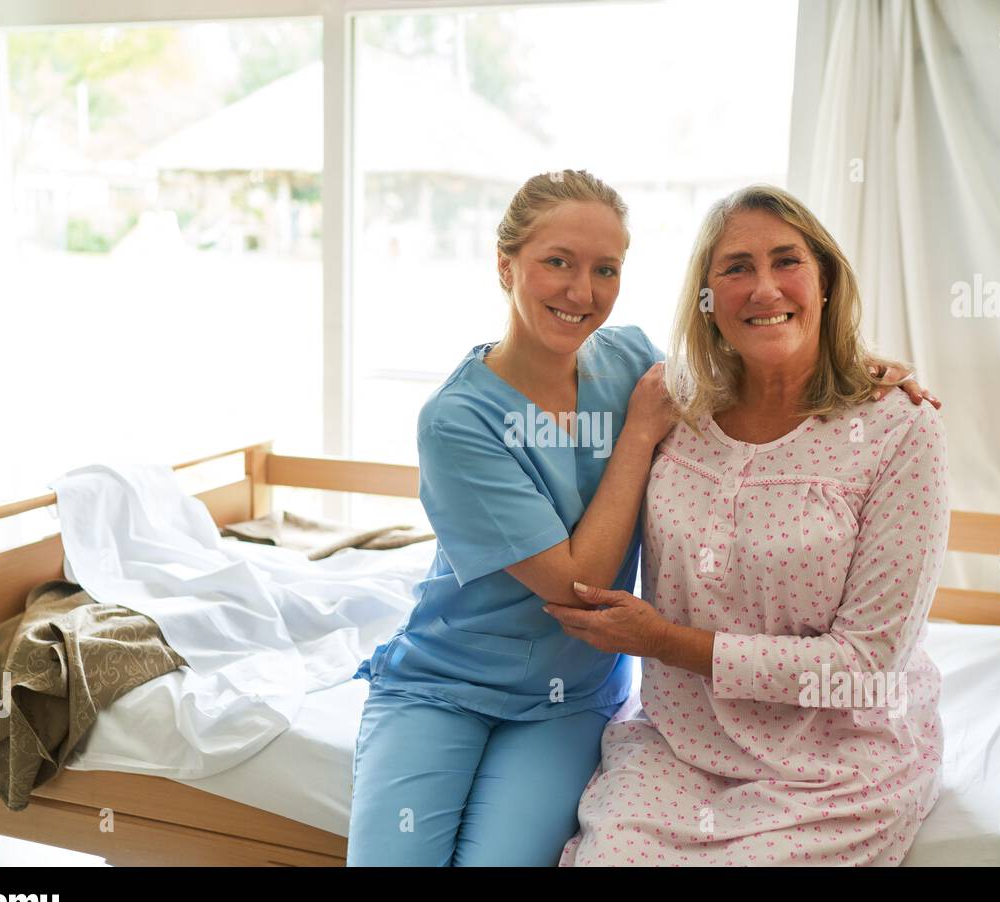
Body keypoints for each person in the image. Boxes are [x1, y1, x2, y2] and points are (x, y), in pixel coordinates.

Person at [347, 171, 935, 866]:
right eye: (557, 262)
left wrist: (859, 363)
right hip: (445, 683)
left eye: (606, 269)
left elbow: (764, 348)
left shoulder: (631, 362)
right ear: (505, 264)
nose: (581, 290)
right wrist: (634, 436)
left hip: (566, 698)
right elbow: (577, 590)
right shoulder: (460, 420)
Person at [549, 184, 949, 866]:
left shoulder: (900, 432)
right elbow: (539, 372)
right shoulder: (671, 406)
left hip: (835, 768)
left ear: (825, 280)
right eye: (735, 268)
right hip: (680, 746)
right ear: (706, 300)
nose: (764, 288)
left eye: (787, 260)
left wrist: (666, 641)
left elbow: (862, 665)